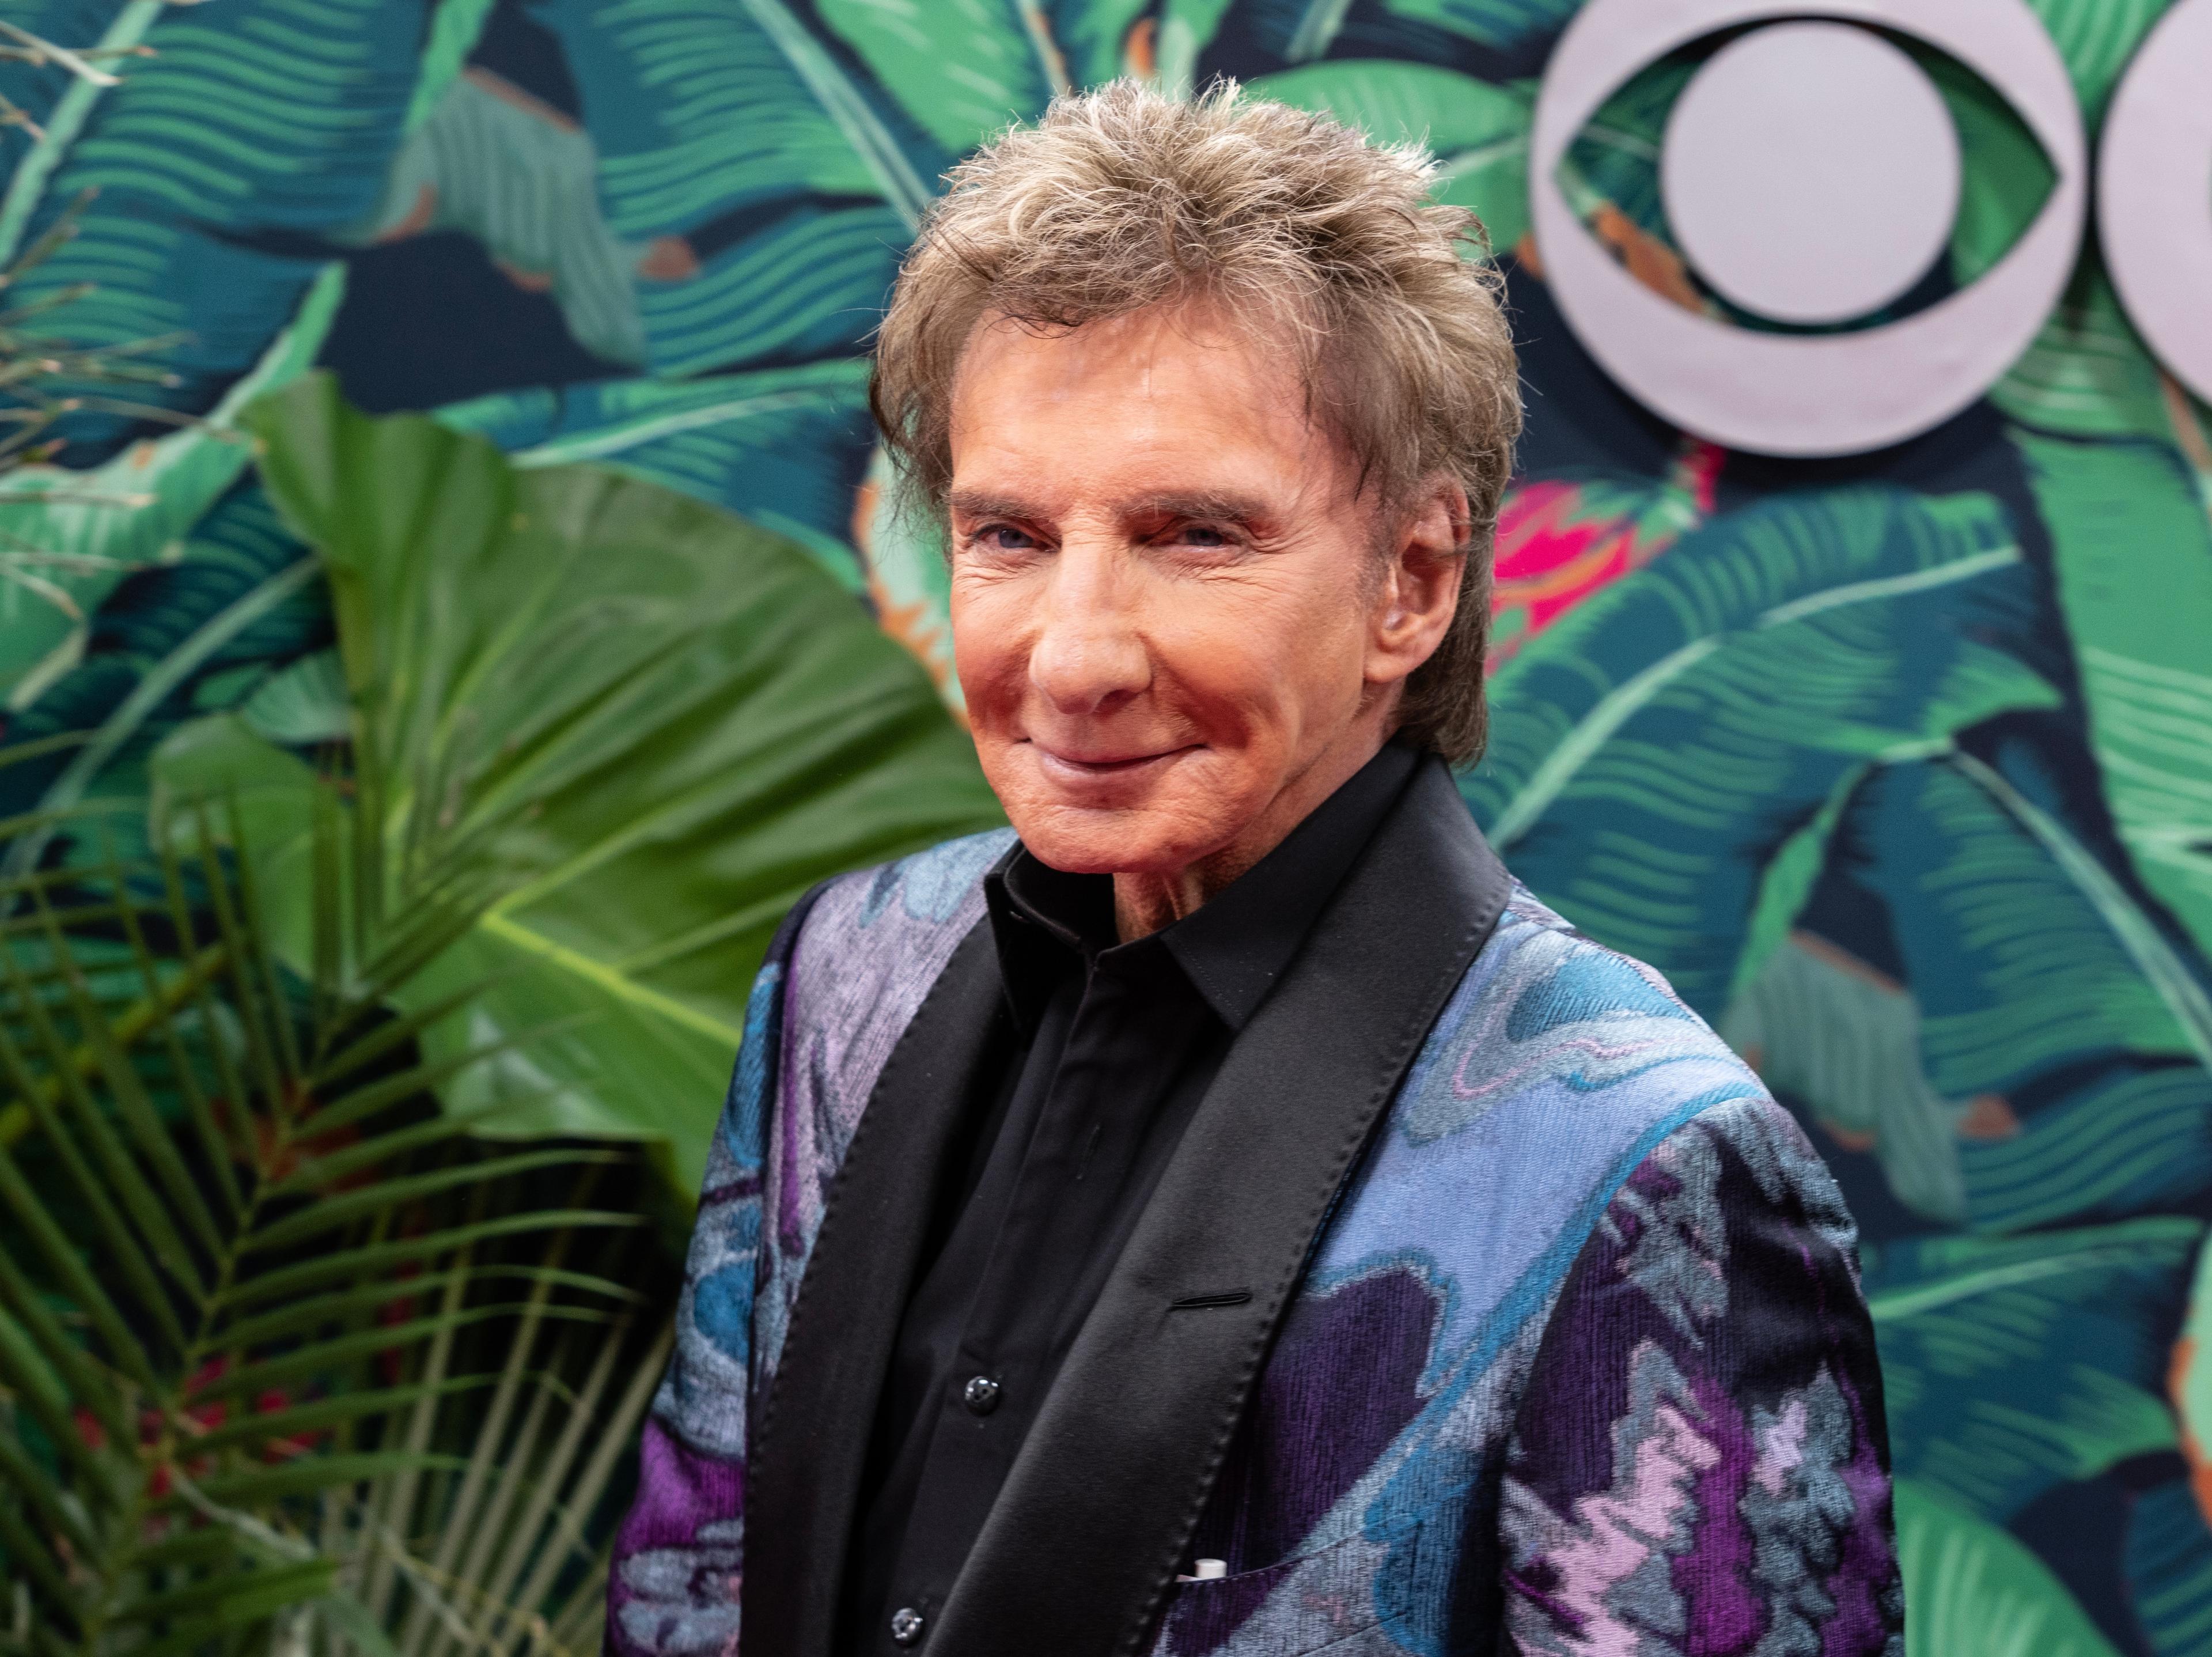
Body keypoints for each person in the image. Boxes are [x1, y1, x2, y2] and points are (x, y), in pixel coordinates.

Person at [607, 80, 1902, 1657]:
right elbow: (694, 1591)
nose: (1072, 656)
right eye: (1010, 535)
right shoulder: (847, 970)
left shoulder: (1645, 1161)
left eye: (1193, 537)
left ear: (1411, 583)